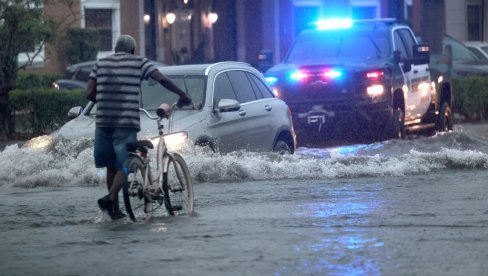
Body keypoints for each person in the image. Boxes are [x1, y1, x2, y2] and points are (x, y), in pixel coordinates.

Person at [86, 34, 191, 220]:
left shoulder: (100, 64)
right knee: (125, 165)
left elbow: (89, 92)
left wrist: (105, 101)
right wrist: (182, 94)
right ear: (132, 50)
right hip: (125, 121)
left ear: (115, 49)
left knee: (111, 166)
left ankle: (115, 210)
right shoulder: (138, 62)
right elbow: (162, 79)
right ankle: (111, 197)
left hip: (103, 121)